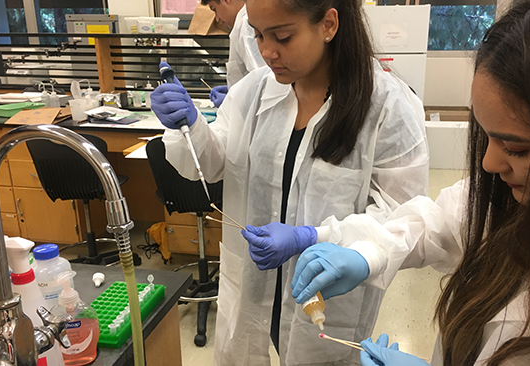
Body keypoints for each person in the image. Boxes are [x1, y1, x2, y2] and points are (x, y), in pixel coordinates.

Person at [281, 0, 530, 365]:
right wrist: (367, 254)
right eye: (486, 135)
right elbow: (436, 222)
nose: (489, 163)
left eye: (517, 149)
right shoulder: (510, 204)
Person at [150, 0, 429, 363]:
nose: (267, 52)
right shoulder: (255, 91)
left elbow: (403, 220)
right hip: (255, 280)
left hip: (329, 299)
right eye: (258, 35)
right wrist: (190, 126)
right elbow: (218, 161)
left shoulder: (388, 107)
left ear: (329, 25)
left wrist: (312, 237)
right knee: (248, 344)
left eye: (282, 36)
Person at [201, 0, 265, 107]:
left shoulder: (246, 24)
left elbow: (263, 82)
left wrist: (232, 101)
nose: (217, 18)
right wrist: (234, 90)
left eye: (214, 9)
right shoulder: (242, 23)